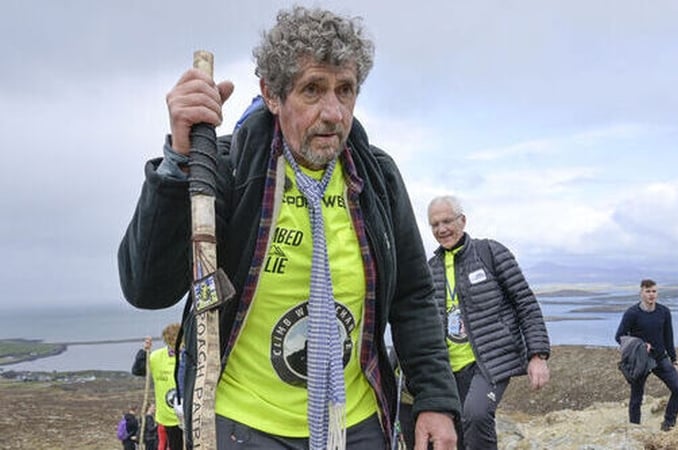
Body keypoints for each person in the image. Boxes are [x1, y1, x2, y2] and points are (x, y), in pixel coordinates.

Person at [118, 6, 460, 450]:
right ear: (272, 94)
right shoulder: (225, 170)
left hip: (355, 423)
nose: (333, 112)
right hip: (245, 426)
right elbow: (146, 288)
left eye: (345, 90)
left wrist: (435, 399)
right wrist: (180, 162)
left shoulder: (375, 179)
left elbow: (412, 296)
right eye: (312, 89)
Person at [424, 195, 551, 450]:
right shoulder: (431, 268)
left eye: (447, 221)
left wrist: (537, 356)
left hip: (490, 361)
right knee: (456, 430)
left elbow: (525, 303)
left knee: (476, 414)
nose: (442, 229)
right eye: (435, 224)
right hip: (450, 367)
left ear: (462, 220)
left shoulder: (490, 252)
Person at [615, 279, 678, 431]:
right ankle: (635, 429)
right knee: (636, 398)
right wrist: (640, 345)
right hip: (641, 361)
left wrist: (674, 360)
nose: (651, 294)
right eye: (648, 291)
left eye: (654, 291)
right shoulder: (632, 313)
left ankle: (668, 424)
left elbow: (668, 337)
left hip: (660, 358)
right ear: (641, 293)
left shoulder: (664, 311)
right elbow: (619, 336)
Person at [132, 324, 183, 450]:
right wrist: (144, 353)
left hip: (190, 415)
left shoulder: (190, 356)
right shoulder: (156, 356)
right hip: (168, 417)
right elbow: (138, 371)